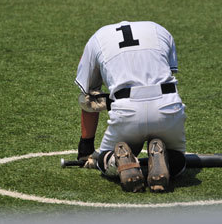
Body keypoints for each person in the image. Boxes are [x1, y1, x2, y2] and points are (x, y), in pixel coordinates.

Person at [75, 21, 187, 193]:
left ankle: (114, 160)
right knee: (178, 162)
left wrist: (86, 148)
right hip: (167, 107)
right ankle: (161, 153)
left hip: (127, 112)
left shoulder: (97, 37)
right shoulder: (159, 29)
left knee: (102, 161)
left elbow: (89, 99)